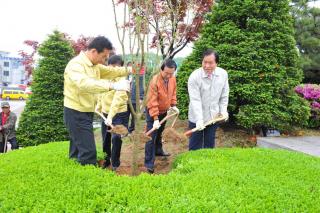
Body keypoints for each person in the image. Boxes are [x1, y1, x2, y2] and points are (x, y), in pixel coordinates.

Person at [63, 36, 131, 166]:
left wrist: (130, 70)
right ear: (94, 51)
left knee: (77, 151)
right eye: (104, 57)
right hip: (76, 113)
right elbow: (84, 84)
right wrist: (113, 86)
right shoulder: (76, 65)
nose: (105, 60)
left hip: (85, 112)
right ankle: (87, 182)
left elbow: (111, 71)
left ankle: (74, 174)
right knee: (88, 154)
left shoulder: (94, 66)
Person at [188, 49, 229, 150]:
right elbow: (195, 100)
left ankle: (207, 165)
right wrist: (199, 120)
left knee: (209, 146)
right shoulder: (194, 77)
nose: (207, 66)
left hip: (213, 118)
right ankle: (192, 164)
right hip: (196, 118)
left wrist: (223, 111)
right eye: (204, 62)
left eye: (210, 63)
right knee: (194, 147)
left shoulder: (223, 74)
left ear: (216, 63)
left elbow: (224, 95)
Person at [144, 59, 179, 174]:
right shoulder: (155, 81)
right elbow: (152, 101)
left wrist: (173, 105)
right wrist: (155, 119)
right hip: (153, 111)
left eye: (171, 73)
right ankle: (149, 163)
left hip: (164, 110)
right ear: (161, 70)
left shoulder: (172, 79)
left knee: (160, 132)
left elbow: (173, 92)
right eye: (166, 73)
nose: (169, 75)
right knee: (151, 137)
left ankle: (158, 150)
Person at [96, 55, 129, 171]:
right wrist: (98, 106)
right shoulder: (104, 77)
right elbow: (101, 92)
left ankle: (115, 163)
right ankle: (106, 159)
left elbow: (118, 100)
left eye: (117, 68)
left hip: (119, 114)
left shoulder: (123, 81)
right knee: (106, 138)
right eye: (112, 68)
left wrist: (110, 117)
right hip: (105, 112)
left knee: (116, 138)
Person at [128, 61, 145, 133]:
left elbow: (141, 87)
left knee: (134, 116)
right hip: (127, 99)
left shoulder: (139, 76)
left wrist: (141, 98)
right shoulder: (128, 75)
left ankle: (131, 130)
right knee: (125, 116)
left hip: (135, 100)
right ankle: (125, 131)